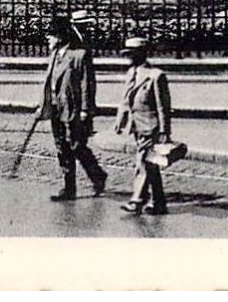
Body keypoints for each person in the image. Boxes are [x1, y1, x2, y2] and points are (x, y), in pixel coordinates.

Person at [38, 14, 106, 201]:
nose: (48, 38)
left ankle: (97, 175)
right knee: (61, 147)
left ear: (60, 36)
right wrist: (42, 106)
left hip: (73, 109)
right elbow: (48, 83)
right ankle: (69, 188)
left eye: (51, 35)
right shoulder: (54, 56)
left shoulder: (78, 55)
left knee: (76, 146)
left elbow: (86, 84)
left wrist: (85, 110)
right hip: (55, 107)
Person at [114, 36, 173, 216]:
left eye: (132, 54)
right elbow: (125, 100)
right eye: (127, 54)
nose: (129, 58)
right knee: (151, 165)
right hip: (137, 126)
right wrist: (120, 121)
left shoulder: (156, 76)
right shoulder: (131, 73)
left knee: (143, 163)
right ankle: (159, 203)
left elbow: (163, 106)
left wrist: (164, 130)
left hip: (151, 126)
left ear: (142, 54)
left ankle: (136, 201)